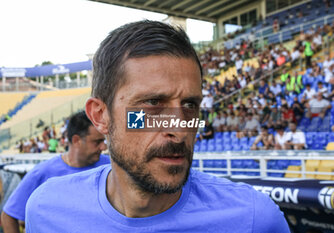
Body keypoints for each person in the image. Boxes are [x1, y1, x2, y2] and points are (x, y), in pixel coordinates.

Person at [26, 20, 290, 233]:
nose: (179, 129)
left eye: (189, 105)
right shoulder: (47, 209)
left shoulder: (254, 220)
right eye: (153, 102)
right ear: (100, 116)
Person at [1, 111, 110, 233]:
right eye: (97, 142)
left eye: (103, 141)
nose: (103, 147)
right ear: (76, 140)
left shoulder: (111, 167)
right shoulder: (42, 173)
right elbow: (9, 215)